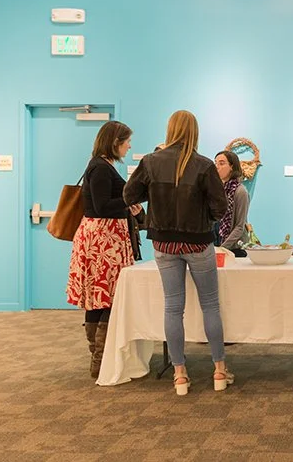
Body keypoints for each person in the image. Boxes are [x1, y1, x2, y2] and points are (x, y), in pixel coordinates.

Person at [124, 110, 232, 396]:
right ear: (194, 131)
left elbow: (129, 195)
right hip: (198, 243)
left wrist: (154, 203)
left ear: (170, 130)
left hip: (163, 245)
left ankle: (180, 375)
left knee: (173, 307)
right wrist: (204, 220)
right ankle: (219, 370)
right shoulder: (204, 165)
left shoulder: (150, 161)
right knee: (210, 305)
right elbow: (220, 208)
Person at [66, 120, 143, 378]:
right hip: (103, 241)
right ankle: (101, 360)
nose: (129, 145)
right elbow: (101, 206)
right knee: (106, 297)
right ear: (114, 142)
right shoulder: (100, 168)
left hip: (105, 239)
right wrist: (129, 201)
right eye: (126, 141)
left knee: (101, 298)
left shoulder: (102, 165)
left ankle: (100, 359)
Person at [214, 150, 250, 257]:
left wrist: (222, 249)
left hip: (235, 249)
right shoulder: (218, 190)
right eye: (215, 163)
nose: (217, 167)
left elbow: (240, 226)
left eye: (221, 163)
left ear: (232, 167)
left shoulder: (240, 191)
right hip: (217, 245)